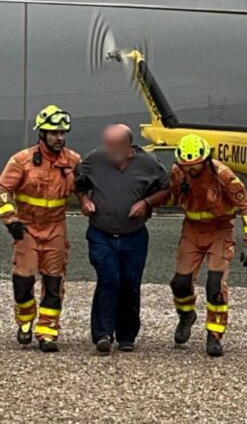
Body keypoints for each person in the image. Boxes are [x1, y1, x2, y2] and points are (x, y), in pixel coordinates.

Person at [75, 124, 170, 354]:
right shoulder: (94, 160)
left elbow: (166, 189)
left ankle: (127, 335)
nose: (108, 150)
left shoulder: (149, 163)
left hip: (134, 236)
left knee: (130, 283)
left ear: (128, 146)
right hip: (101, 233)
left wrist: (146, 203)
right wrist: (84, 201)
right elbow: (78, 183)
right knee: (109, 279)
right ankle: (102, 334)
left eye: (113, 146)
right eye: (106, 144)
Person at [168, 134, 247, 357]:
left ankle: (215, 334)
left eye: (195, 166)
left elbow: (246, 207)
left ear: (205, 159)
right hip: (192, 230)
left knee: (215, 286)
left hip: (220, 230)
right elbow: (171, 196)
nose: (191, 171)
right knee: (180, 283)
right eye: (186, 166)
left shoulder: (223, 176)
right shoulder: (178, 173)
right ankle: (186, 315)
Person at [0, 105, 80, 352]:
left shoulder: (74, 161)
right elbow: (2, 190)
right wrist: (10, 219)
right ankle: (25, 321)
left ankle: (48, 332)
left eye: (62, 133)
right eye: (54, 133)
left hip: (56, 226)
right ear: (42, 134)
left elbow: (87, 191)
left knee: (54, 282)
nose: (59, 138)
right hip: (26, 227)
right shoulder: (21, 161)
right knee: (23, 280)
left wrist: (87, 192)